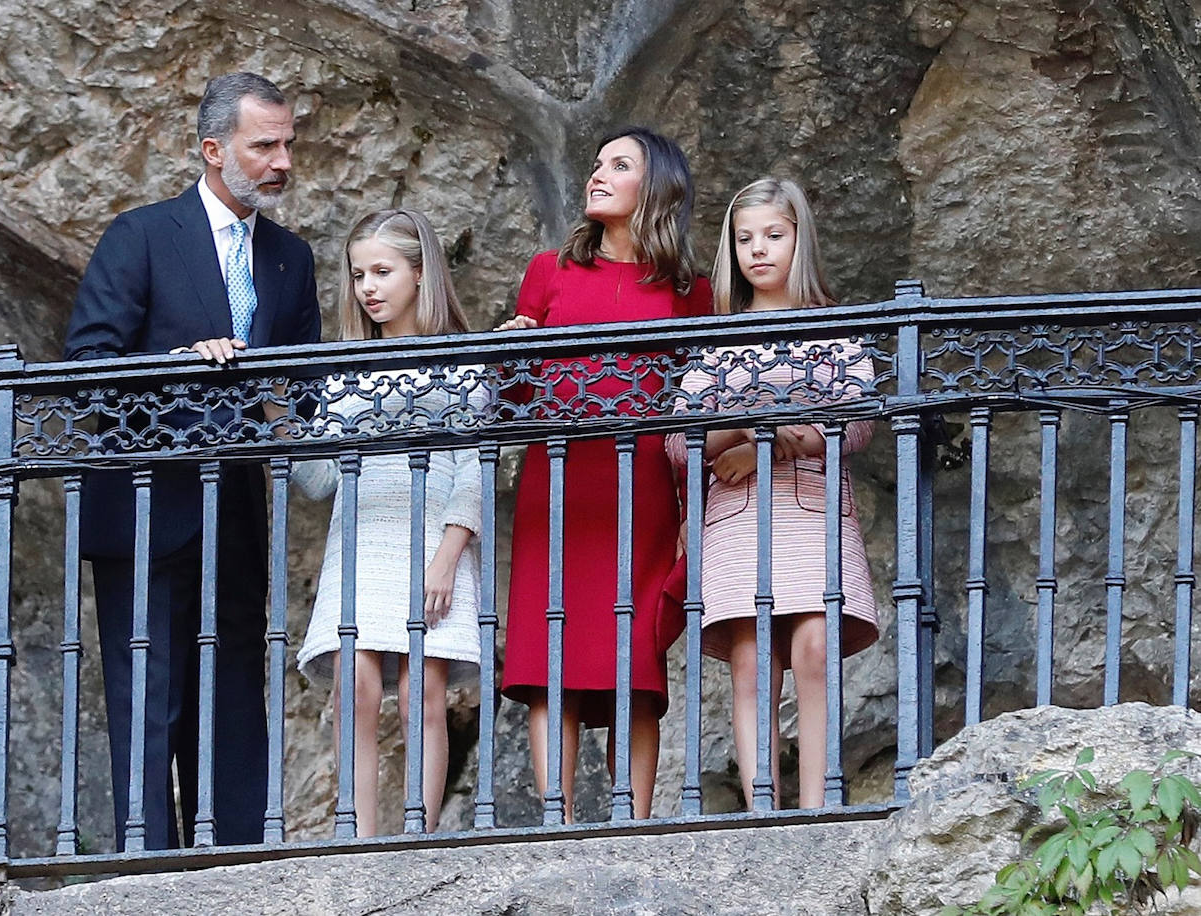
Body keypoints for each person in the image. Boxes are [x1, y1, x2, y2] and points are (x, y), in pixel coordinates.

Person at [63, 71, 321, 850]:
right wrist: (179, 363)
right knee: (150, 697)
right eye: (264, 145)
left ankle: (238, 860)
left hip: (237, 508)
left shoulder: (289, 257)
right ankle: (148, 873)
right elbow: (87, 366)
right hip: (145, 507)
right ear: (214, 150)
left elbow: (304, 390)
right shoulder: (140, 234)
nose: (281, 161)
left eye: (287, 145)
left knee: (236, 688)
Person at [496, 127, 712, 820]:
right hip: (557, 487)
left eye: (619, 166)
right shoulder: (549, 271)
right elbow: (514, 403)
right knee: (546, 658)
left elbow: (698, 405)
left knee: (635, 662)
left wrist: (692, 513)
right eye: (597, 164)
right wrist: (513, 354)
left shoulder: (690, 290)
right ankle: (554, 823)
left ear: (655, 189)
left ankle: (635, 824)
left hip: (645, 489)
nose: (597, 174)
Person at [665, 177, 878, 809]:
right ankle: (763, 805)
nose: (758, 250)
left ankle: (817, 803)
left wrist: (772, 442)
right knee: (754, 656)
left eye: (774, 236)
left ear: (800, 239)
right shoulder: (717, 339)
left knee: (815, 647)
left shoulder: (836, 327)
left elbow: (857, 422)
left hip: (810, 505)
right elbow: (679, 443)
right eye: (744, 238)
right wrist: (758, 425)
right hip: (737, 517)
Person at [292, 208, 484, 836]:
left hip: (432, 542)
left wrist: (448, 558)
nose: (368, 287)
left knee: (422, 696)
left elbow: (474, 468)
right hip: (359, 541)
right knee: (356, 693)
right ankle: (357, 838)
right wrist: (276, 417)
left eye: (382, 271)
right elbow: (319, 482)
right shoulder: (346, 373)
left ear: (421, 273)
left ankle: (418, 838)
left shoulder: (463, 362)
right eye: (357, 275)